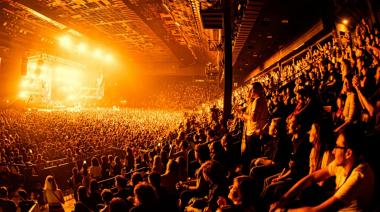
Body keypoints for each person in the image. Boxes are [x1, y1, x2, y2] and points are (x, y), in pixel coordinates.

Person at [271, 125, 375, 212]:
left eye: (337, 147)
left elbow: (317, 211)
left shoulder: (358, 176)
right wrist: (284, 199)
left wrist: (282, 210)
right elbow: (312, 177)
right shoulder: (344, 162)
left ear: (348, 153)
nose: (333, 151)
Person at [238, 82, 270, 173]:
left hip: (253, 132)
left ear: (255, 90)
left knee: (251, 156)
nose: (250, 91)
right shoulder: (261, 99)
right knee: (253, 155)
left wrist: (242, 114)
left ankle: (249, 174)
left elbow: (253, 118)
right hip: (254, 131)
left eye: (251, 89)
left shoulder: (258, 100)